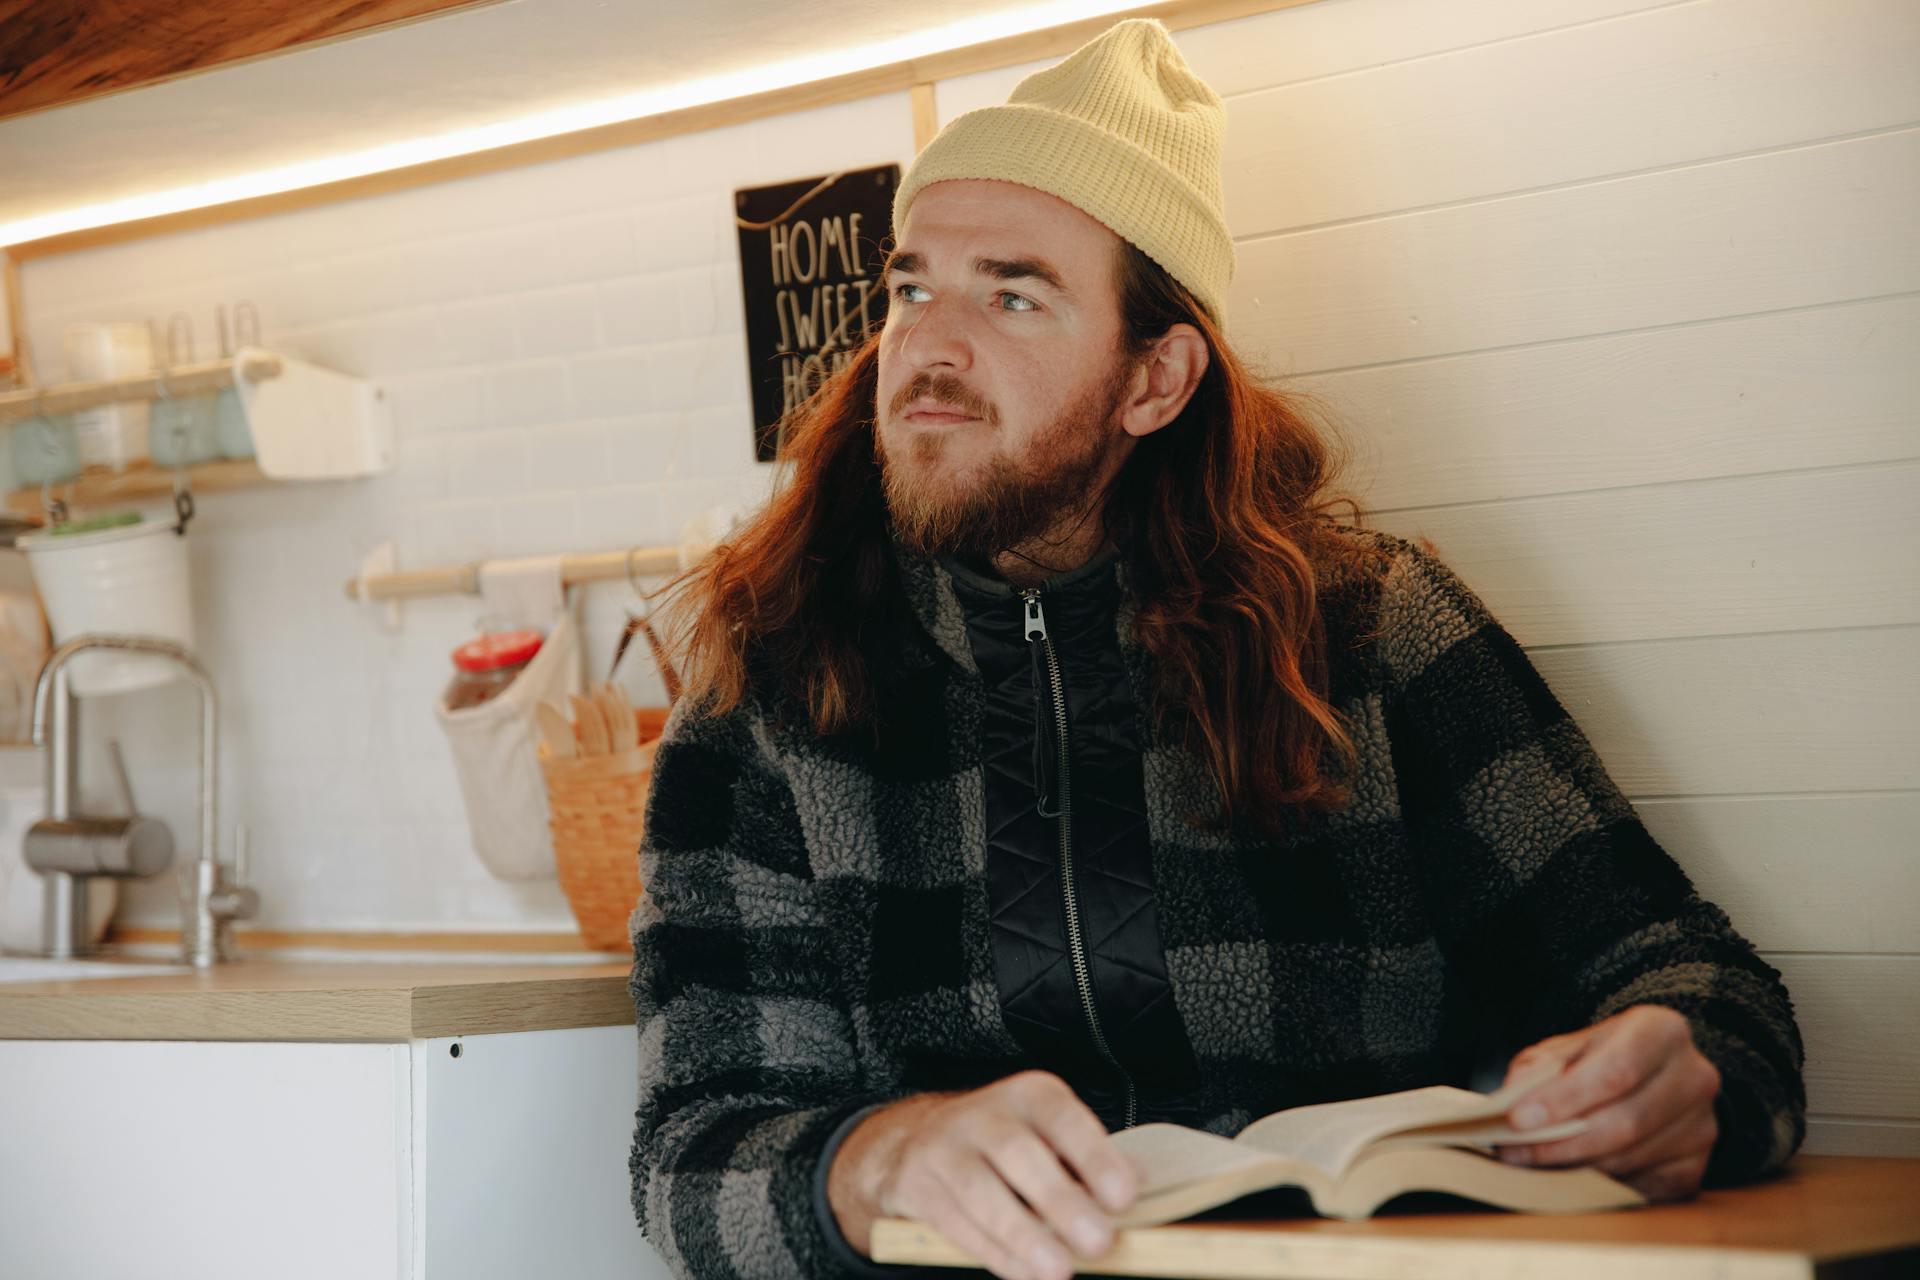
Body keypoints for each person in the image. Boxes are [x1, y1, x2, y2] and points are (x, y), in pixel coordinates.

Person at [626, 18, 1805, 1280]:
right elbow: (691, 1154)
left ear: (1157, 379)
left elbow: (1692, 971)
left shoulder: (1369, 629)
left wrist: (1690, 1070)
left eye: (1012, 293)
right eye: (913, 285)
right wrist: (874, 1158)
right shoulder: (772, 690)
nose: (928, 345)